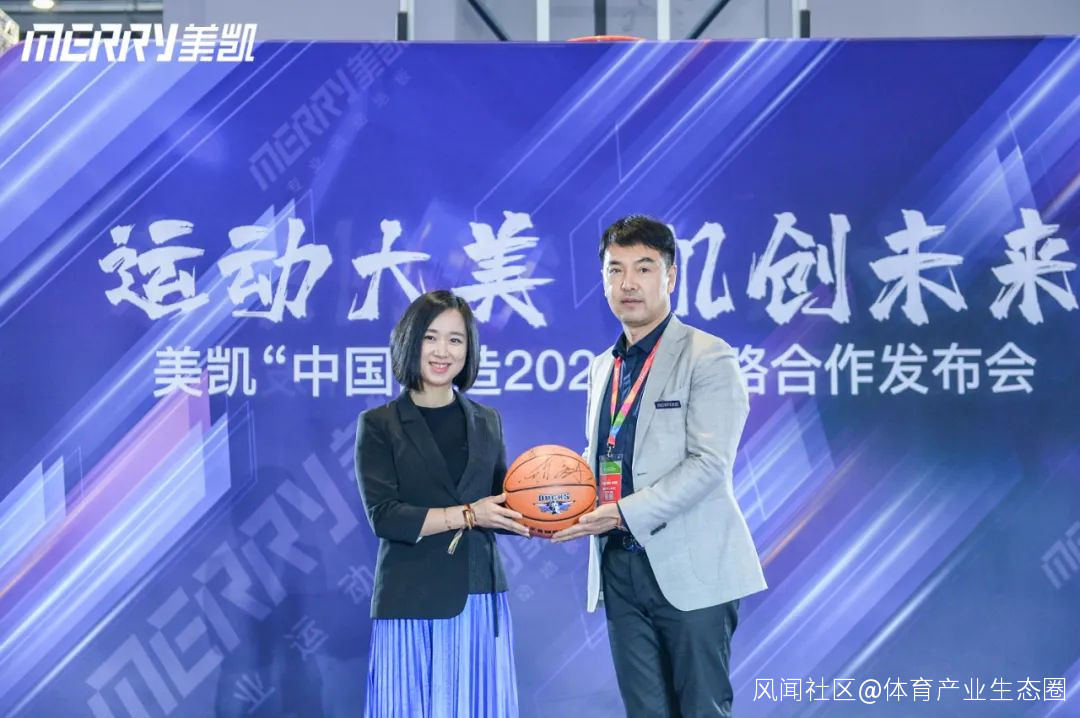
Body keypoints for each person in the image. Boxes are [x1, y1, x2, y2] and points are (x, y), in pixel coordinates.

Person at [553, 215, 767, 717]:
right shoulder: (602, 366)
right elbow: (600, 455)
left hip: (691, 564)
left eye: (643, 268)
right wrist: (553, 496)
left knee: (701, 710)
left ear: (670, 276)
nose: (628, 283)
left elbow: (709, 464)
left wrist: (622, 512)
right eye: (615, 269)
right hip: (619, 567)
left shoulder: (708, 356)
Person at [355, 289, 530, 718]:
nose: (442, 351)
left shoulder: (487, 420)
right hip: (410, 599)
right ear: (410, 342)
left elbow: (502, 503)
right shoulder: (379, 424)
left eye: (455, 340)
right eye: (430, 337)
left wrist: (551, 504)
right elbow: (385, 517)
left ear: (468, 350)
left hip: (478, 596)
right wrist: (467, 515)